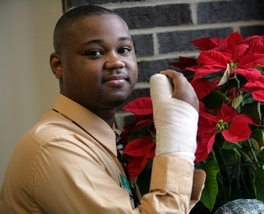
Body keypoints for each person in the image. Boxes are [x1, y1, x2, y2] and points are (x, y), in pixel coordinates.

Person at [0, 5, 205, 214]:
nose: (116, 62)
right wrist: (179, 128)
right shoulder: (55, 146)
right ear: (57, 65)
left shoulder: (107, 138)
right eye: (95, 52)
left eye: (124, 50)